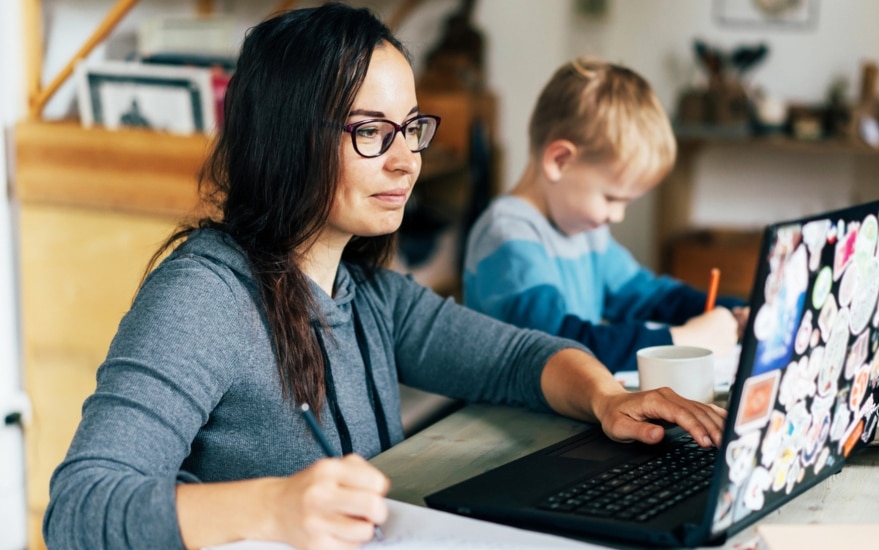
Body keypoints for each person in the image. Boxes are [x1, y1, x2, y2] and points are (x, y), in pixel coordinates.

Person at [43, 5, 726, 549]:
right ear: (289, 137)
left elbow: (517, 357)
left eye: (411, 129)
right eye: (372, 132)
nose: (407, 163)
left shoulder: (366, 294)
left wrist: (605, 398)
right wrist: (273, 505)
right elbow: (79, 509)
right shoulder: (201, 298)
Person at [463, 57, 749, 374]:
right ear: (559, 161)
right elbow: (562, 347)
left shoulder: (585, 230)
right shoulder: (508, 236)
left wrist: (731, 311)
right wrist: (681, 339)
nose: (618, 215)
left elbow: (648, 296)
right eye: (612, 197)